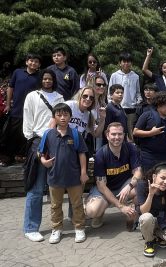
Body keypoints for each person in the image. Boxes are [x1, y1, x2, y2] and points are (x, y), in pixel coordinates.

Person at [22, 69, 64, 242]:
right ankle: (31, 227)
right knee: (36, 187)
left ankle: (63, 223)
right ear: (41, 80)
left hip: (56, 141)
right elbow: (27, 117)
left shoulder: (59, 97)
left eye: (50, 79)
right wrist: (30, 137)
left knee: (60, 186)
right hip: (38, 140)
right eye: (45, 79)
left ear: (54, 80)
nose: (47, 81)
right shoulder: (32, 96)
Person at [38, 103, 88, 244]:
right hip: (54, 176)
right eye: (59, 115)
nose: (62, 118)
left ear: (70, 117)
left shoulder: (75, 134)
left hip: (74, 176)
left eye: (65, 115)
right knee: (55, 205)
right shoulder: (48, 134)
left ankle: (79, 228)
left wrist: (83, 172)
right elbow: (41, 153)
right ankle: (57, 229)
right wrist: (43, 161)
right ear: (54, 117)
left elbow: (82, 154)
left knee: (77, 203)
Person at [85, 122, 142, 231]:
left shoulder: (130, 148)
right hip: (105, 189)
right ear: (107, 136)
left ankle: (134, 214)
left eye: (120, 134)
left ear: (124, 135)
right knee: (92, 210)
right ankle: (99, 213)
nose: (117, 137)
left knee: (141, 188)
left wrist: (130, 186)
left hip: (124, 185)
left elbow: (138, 172)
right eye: (114, 134)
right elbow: (101, 185)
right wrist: (120, 207)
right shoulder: (101, 154)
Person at [0, 53, 41, 166]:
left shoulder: (40, 76)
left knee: (26, 135)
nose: (33, 63)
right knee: (12, 134)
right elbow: (10, 88)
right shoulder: (17, 72)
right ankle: (7, 158)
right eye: (31, 60)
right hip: (17, 109)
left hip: (31, 112)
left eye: (36, 61)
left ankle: (21, 157)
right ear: (27, 62)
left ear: (39, 64)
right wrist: (8, 104)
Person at [136, 163, 166, 257]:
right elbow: (143, 212)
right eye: (162, 178)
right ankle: (149, 241)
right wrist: (151, 194)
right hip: (148, 221)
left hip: (162, 220)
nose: (165, 182)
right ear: (154, 176)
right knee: (146, 217)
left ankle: (157, 235)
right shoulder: (142, 185)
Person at [133, 92, 166, 172]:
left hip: (165, 155)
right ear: (159, 105)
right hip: (148, 155)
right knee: (148, 178)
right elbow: (135, 132)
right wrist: (151, 133)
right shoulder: (147, 115)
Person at [108, 52, 142, 140]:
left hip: (131, 108)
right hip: (117, 108)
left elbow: (138, 92)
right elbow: (109, 93)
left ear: (131, 63)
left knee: (130, 131)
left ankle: (130, 150)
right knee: (117, 130)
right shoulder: (114, 75)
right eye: (124, 61)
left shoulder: (136, 76)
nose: (126, 63)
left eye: (128, 61)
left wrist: (138, 101)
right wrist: (111, 105)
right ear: (120, 63)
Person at [66, 87, 106, 152]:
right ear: (80, 95)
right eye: (85, 96)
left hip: (75, 147)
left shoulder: (89, 114)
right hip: (63, 144)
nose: (88, 99)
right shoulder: (69, 105)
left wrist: (102, 118)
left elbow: (96, 134)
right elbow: (53, 123)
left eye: (91, 98)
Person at [142, 47, 166, 112]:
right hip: (160, 104)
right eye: (164, 68)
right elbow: (144, 69)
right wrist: (148, 55)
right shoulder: (157, 77)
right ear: (161, 69)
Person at [92, 76, 108, 151]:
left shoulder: (102, 103)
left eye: (103, 85)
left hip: (97, 136)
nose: (101, 87)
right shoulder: (88, 101)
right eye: (98, 84)